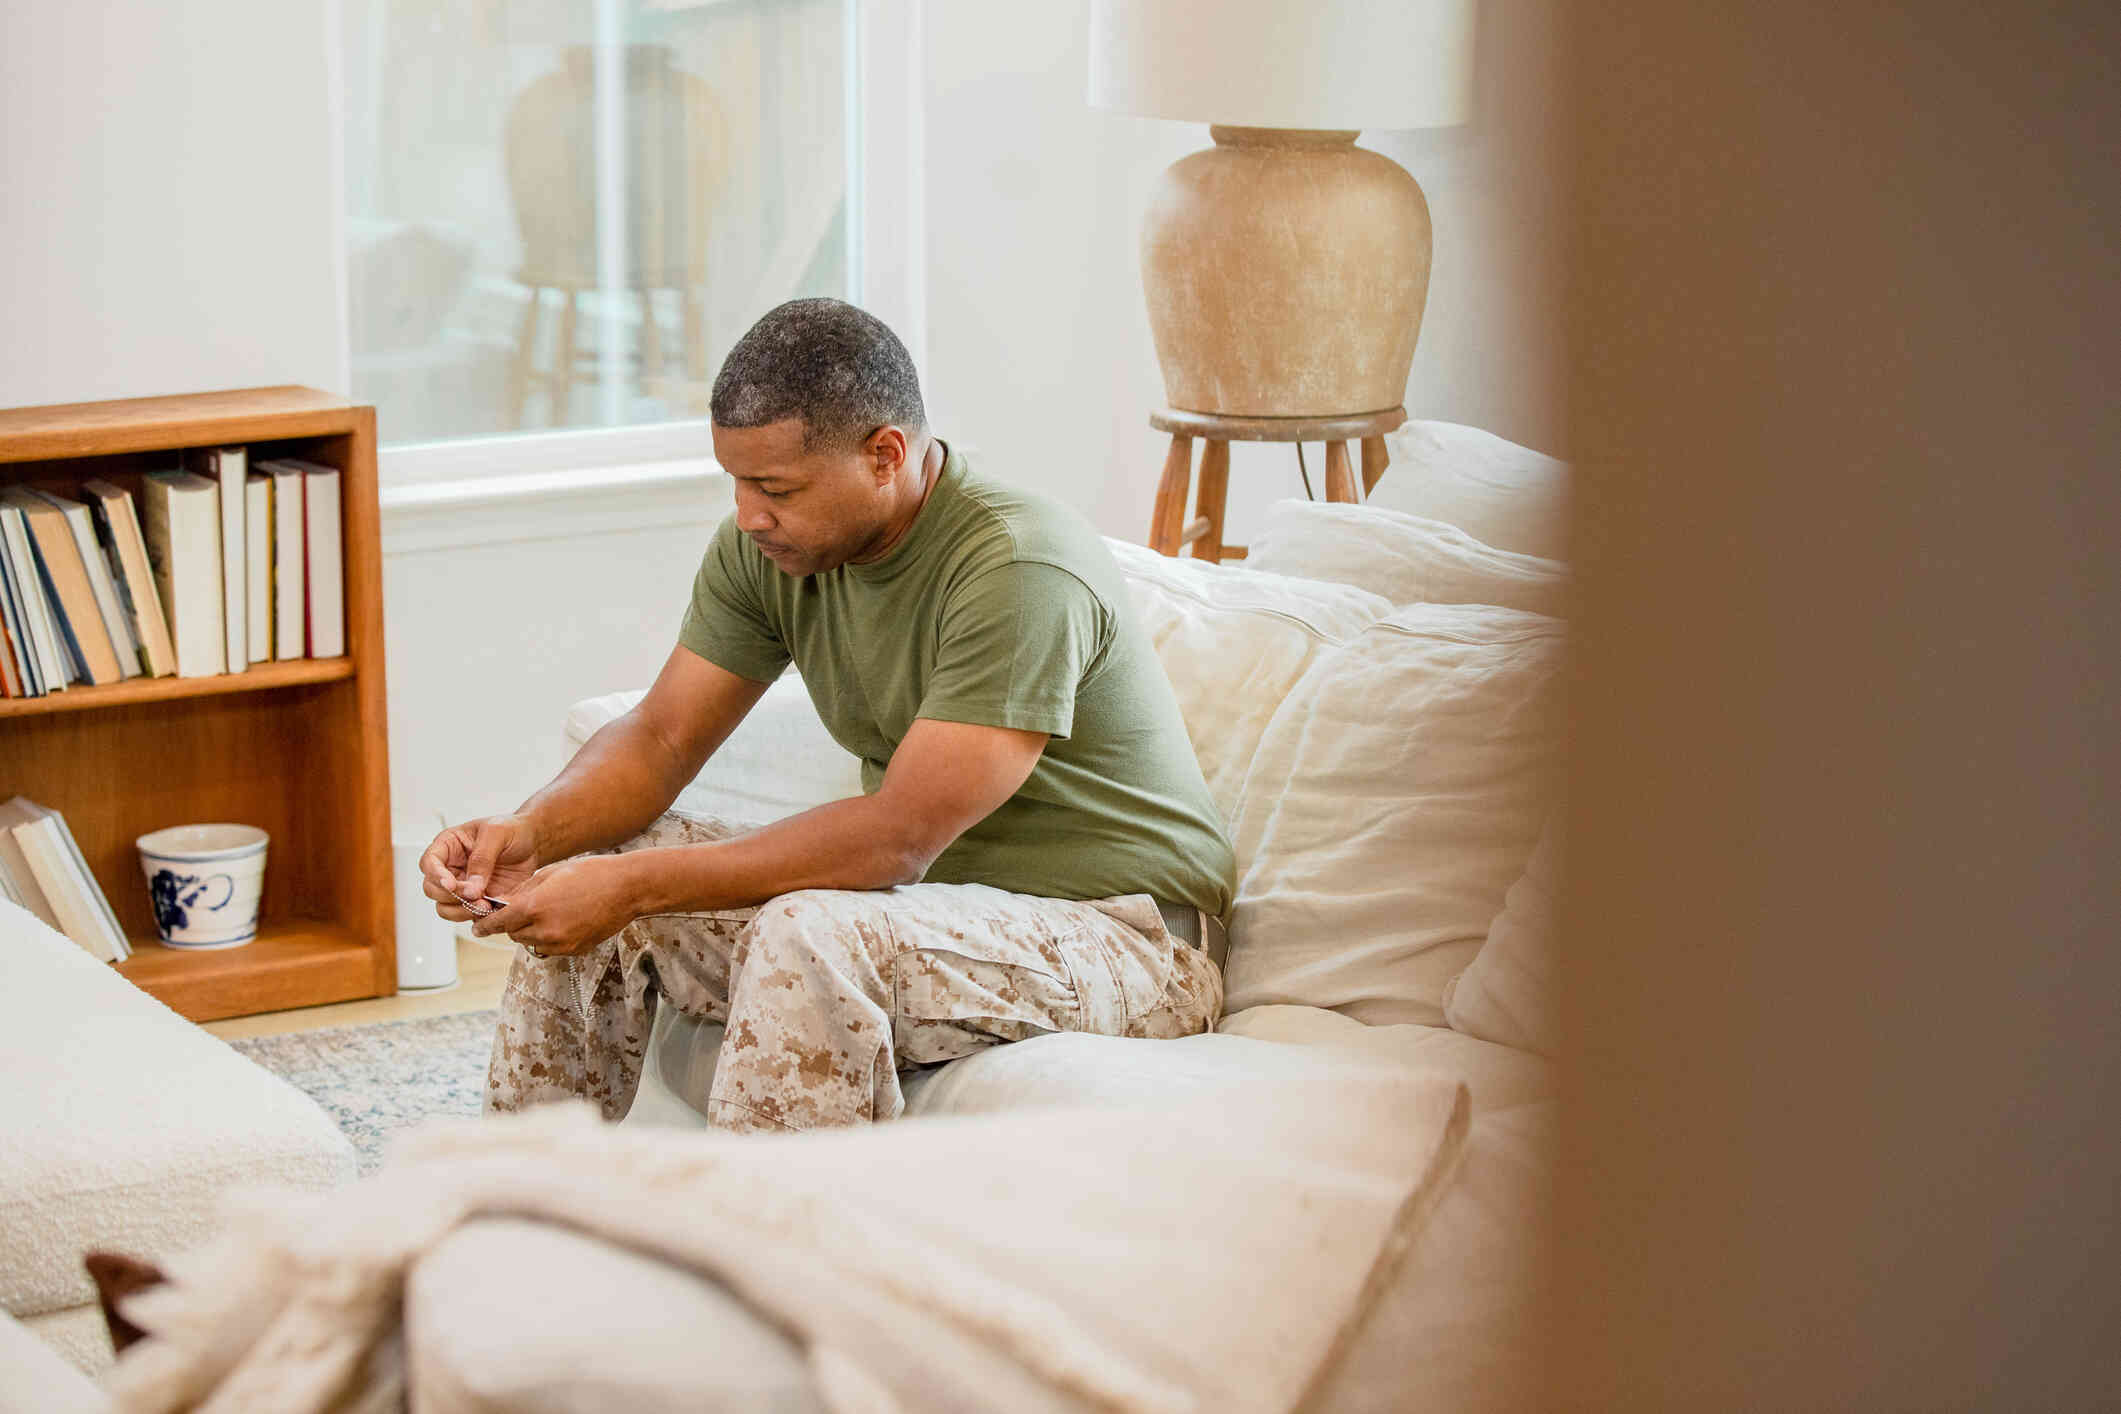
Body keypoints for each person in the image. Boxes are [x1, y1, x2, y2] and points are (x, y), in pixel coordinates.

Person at [421, 298, 1234, 1133]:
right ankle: (521, 1200)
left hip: (1131, 941)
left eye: (775, 487)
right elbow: (661, 737)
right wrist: (532, 834)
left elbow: (898, 837)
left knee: (808, 932)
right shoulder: (771, 550)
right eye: (736, 482)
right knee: (605, 857)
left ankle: (755, 1249)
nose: (747, 515)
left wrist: (630, 889)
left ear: (885, 455)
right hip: (933, 917)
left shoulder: (1017, 566)